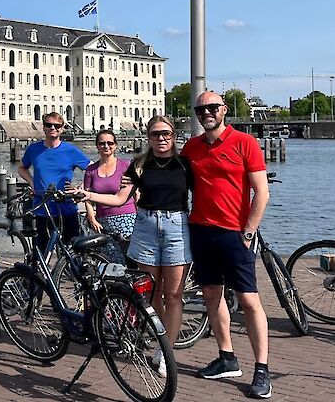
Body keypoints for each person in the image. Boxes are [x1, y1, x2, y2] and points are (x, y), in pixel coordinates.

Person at [182, 91, 272, 399]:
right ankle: (227, 357)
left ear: (224, 110)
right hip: (201, 230)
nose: (206, 113)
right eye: (200, 109)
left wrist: (248, 233)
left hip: (234, 233)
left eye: (212, 108)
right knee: (211, 294)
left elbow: (262, 192)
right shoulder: (192, 147)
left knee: (248, 299)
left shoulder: (245, 142)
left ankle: (262, 369)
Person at [102, 118, 192, 379]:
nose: (161, 138)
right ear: (148, 137)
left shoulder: (185, 165)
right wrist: (88, 195)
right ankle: (162, 338)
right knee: (152, 293)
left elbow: (201, 196)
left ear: (173, 135)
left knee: (173, 295)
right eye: (155, 134)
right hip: (146, 228)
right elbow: (120, 198)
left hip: (176, 228)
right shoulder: (139, 165)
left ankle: (166, 352)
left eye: (166, 133)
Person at [17, 112, 91, 252]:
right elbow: (21, 168)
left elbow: (92, 170)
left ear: (62, 129)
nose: (53, 128)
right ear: (44, 127)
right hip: (42, 208)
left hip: (66, 207)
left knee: (73, 251)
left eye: (56, 126)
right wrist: (32, 183)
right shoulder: (34, 149)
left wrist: (80, 188)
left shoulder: (70, 151)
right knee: (42, 251)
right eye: (49, 125)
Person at [70, 129, 136, 265]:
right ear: (97, 146)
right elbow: (87, 196)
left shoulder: (126, 166)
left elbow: (136, 193)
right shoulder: (91, 170)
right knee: (109, 261)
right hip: (103, 221)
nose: (106, 146)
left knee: (130, 259)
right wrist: (92, 218)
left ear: (115, 145)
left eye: (110, 143)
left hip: (127, 219)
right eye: (102, 143)